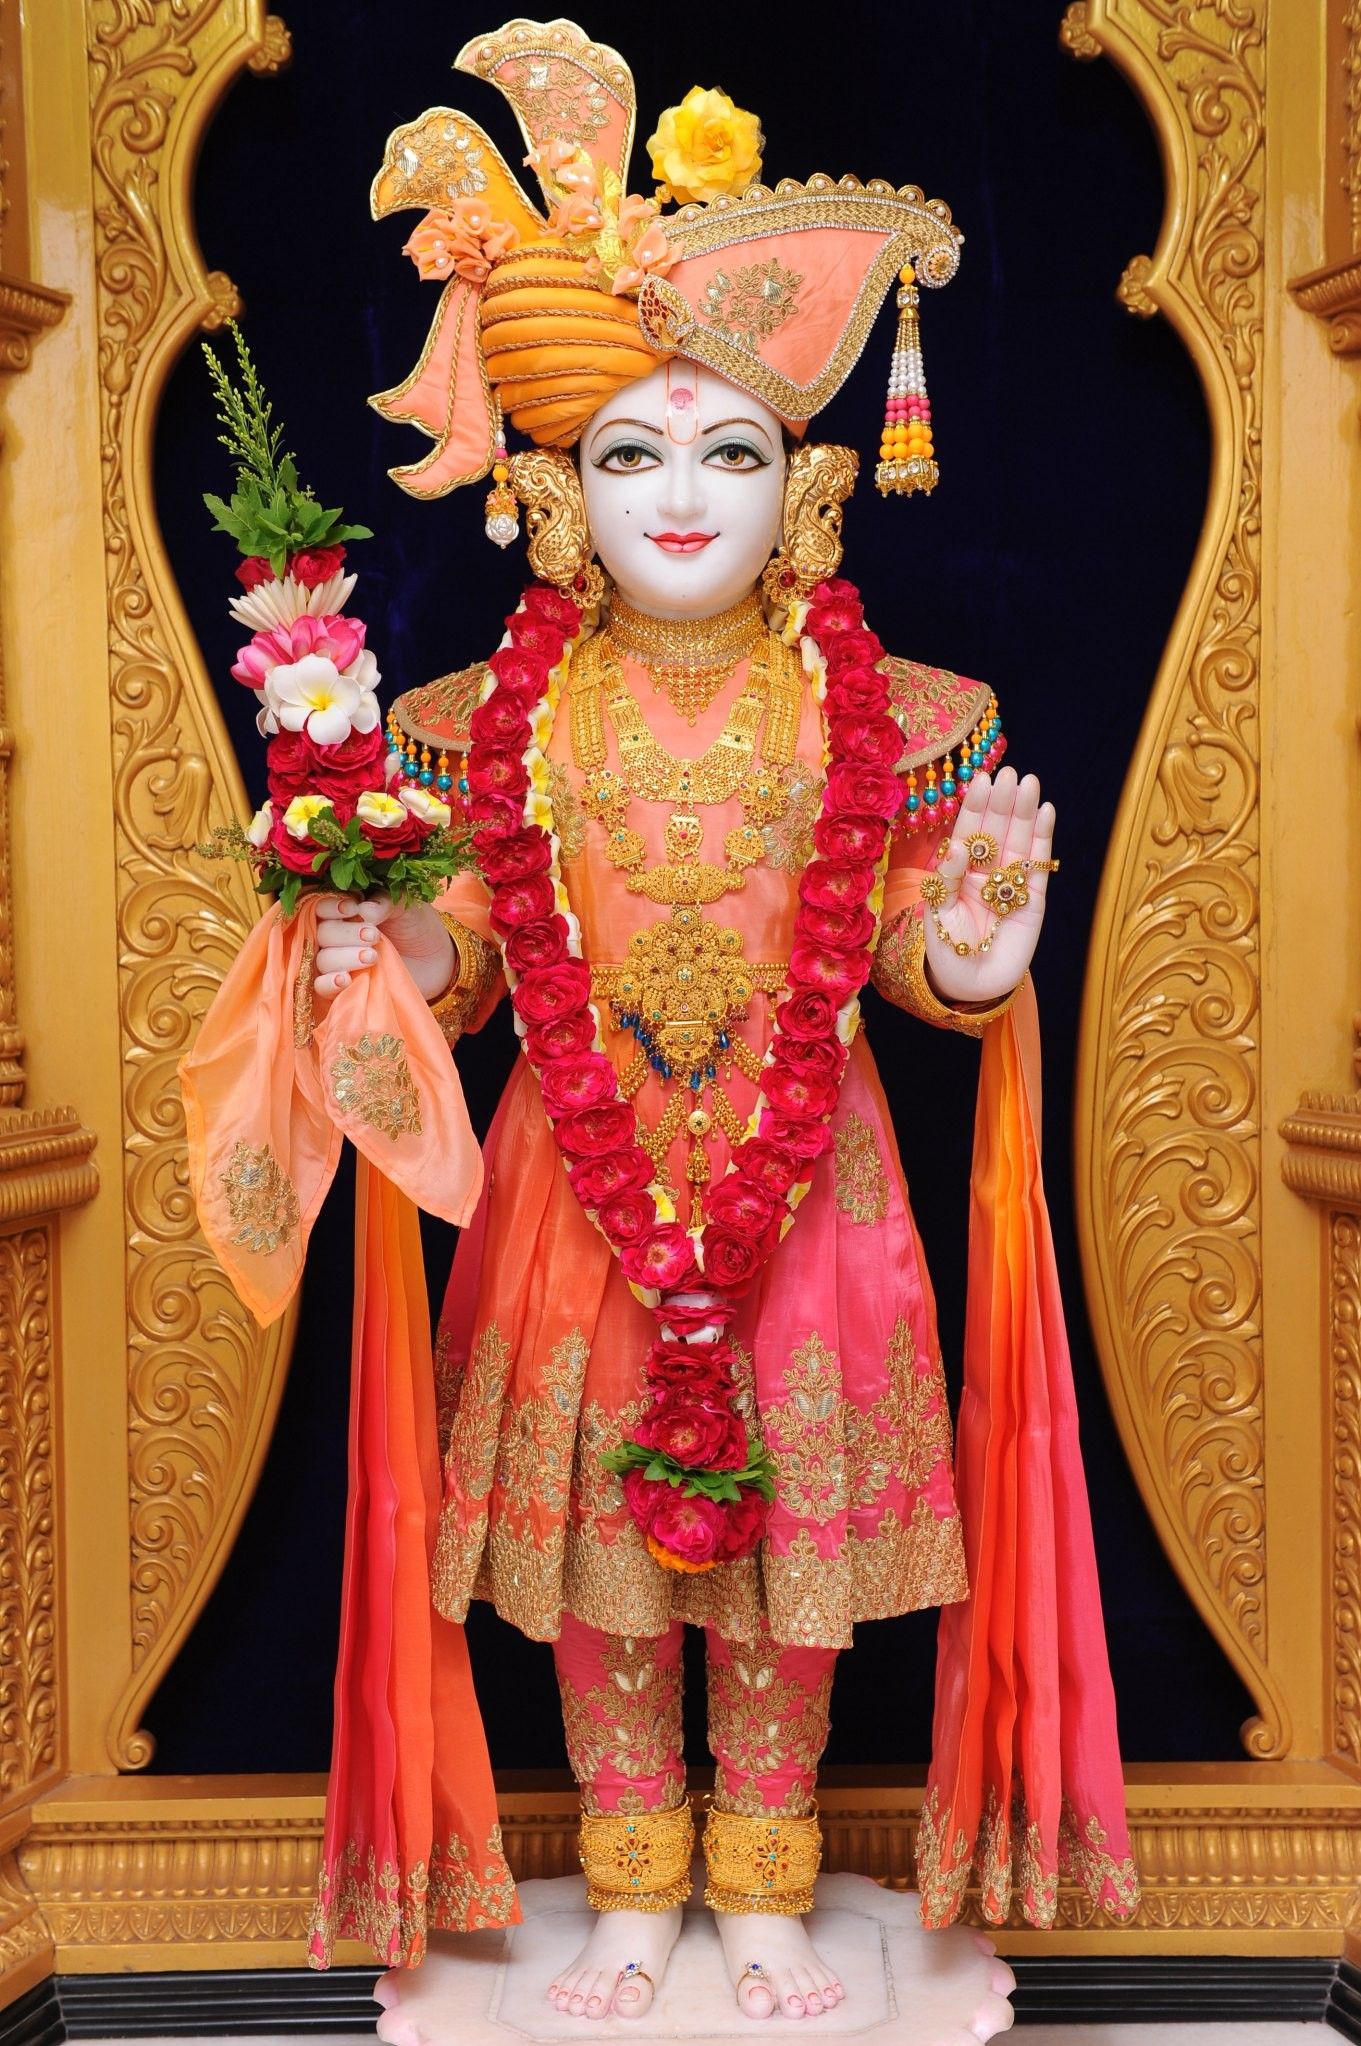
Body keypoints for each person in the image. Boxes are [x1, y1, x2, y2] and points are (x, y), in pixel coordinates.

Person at [301, 18, 1136, 2023]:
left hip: (812, 1196)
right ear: (563, 493)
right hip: (570, 1198)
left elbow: (924, 962)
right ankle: (639, 1885)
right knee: (603, 1580)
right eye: (634, 453)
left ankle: (768, 1891)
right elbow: (487, 965)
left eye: (733, 451)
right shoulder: (477, 726)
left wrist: (992, 949)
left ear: (814, 488)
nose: (685, 494)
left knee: (784, 1567)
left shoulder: (900, 722)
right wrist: (399, 958)